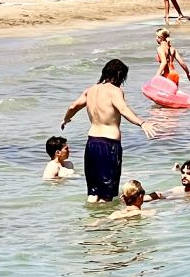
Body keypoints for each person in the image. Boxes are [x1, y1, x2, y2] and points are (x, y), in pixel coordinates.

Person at [61, 59, 158, 203]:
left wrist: (66, 119)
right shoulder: (115, 91)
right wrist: (142, 123)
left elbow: (73, 106)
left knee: (93, 193)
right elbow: (124, 109)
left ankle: (91, 221)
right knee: (107, 195)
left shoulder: (90, 90)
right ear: (119, 75)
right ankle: (104, 224)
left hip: (91, 143)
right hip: (108, 145)